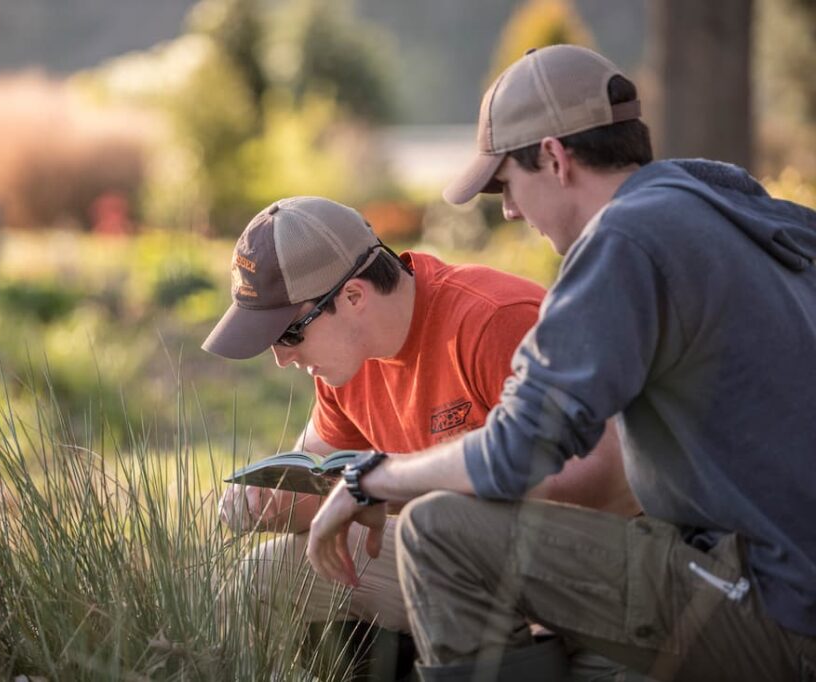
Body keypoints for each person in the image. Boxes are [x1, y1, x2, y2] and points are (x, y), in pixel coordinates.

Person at [305, 44, 816, 681]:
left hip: (774, 605)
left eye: (506, 185)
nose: (511, 211)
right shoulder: (731, 209)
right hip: (774, 572)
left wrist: (369, 479)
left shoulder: (626, 239)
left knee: (438, 532)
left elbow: (517, 452)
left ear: (553, 157)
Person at [202, 195, 639, 676]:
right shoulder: (341, 369)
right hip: (453, 564)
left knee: (433, 527)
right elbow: (322, 473)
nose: (282, 358)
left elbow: (601, 473)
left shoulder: (495, 318)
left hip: (590, 567)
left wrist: (400, 486)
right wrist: (269, 501)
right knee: (263, 577)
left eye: (289, 334)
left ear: (353, 296)